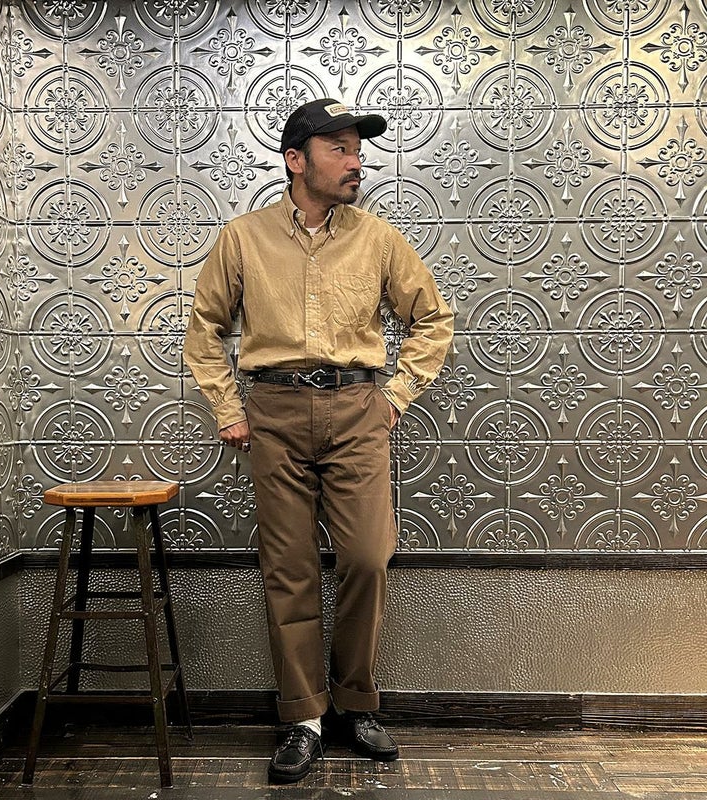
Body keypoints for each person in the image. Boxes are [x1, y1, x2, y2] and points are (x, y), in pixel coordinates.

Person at [184, 98, 453, 783]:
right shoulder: (243, 238)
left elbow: (432, 319)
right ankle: (303, 717)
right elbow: (206, 328)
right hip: (273, 410)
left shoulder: (378, 239)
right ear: (296, 160)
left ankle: (356, 703)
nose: (356, 162)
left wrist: (394, 397)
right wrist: (228, 408)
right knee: (290, 566)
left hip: (357, 408)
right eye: (340, 149)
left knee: (367, 555)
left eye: (357, 150)